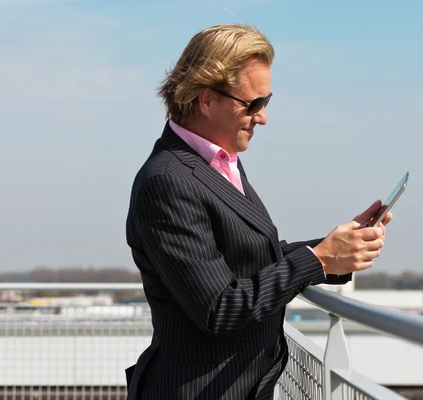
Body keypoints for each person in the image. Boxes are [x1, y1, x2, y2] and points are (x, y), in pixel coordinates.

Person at [125, 23, 392, 400]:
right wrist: (317, 260)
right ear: (205, 99)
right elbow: (220, 309)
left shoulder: (219, 161)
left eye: (266, 101)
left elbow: (253, 259)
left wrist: (336, 249)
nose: (262, 116)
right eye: (253, 104)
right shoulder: (167, 180)